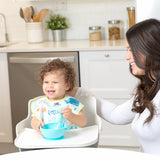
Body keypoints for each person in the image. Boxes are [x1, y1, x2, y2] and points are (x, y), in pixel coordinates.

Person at [31, 19, 160, 155]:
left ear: (149, 49)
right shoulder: (149, 90)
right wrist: (79, 92)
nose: (127, 57)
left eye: (131, 50)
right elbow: (115, 115)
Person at [31, 59, 87, 135]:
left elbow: (83, 122)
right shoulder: (41, 103)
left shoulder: (71, 103)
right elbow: (34, 120)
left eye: (55, 82)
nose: (50, 86)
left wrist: (71, 116)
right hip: (47, 138)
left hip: (69, 138)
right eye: (46, 82)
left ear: (67, 85)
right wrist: (37, 124)